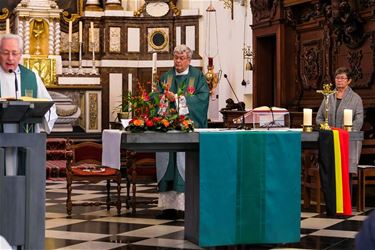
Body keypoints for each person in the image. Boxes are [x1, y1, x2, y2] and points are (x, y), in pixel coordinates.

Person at [155, 44, 210, 219]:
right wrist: (163, 98)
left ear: (189, 60)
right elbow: (155, 97)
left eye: (181, 58)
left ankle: (187, 206)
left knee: (184, 166)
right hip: (167, 129)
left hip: (187, 130)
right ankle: (168, 207)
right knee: (167, 166)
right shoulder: (166, 76)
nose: (178, 61)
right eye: (176, 57)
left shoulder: (197, 76)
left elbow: (202, 99)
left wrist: (178, 99)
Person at [0, 33, 57, 176]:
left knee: (22, 180)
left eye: (14, 53)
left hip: (26, 139)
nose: (10, 58)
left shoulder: (31, 77)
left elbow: (49, 107)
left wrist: (42, 120)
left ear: (20, 55)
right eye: (5, 53)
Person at [316, 66, 363, 213]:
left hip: (347, 141)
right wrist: (326, 127)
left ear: (349, 81)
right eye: (337, 78)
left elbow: (359, 119)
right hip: (330, 140)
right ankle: (331, 205)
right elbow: (319, 118)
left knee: (345, 171)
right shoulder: (328, 97)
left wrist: (345, 131)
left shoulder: (355, 98)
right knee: (330, 171)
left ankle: (345, 205)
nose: (339, 80)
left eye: (342, 78)